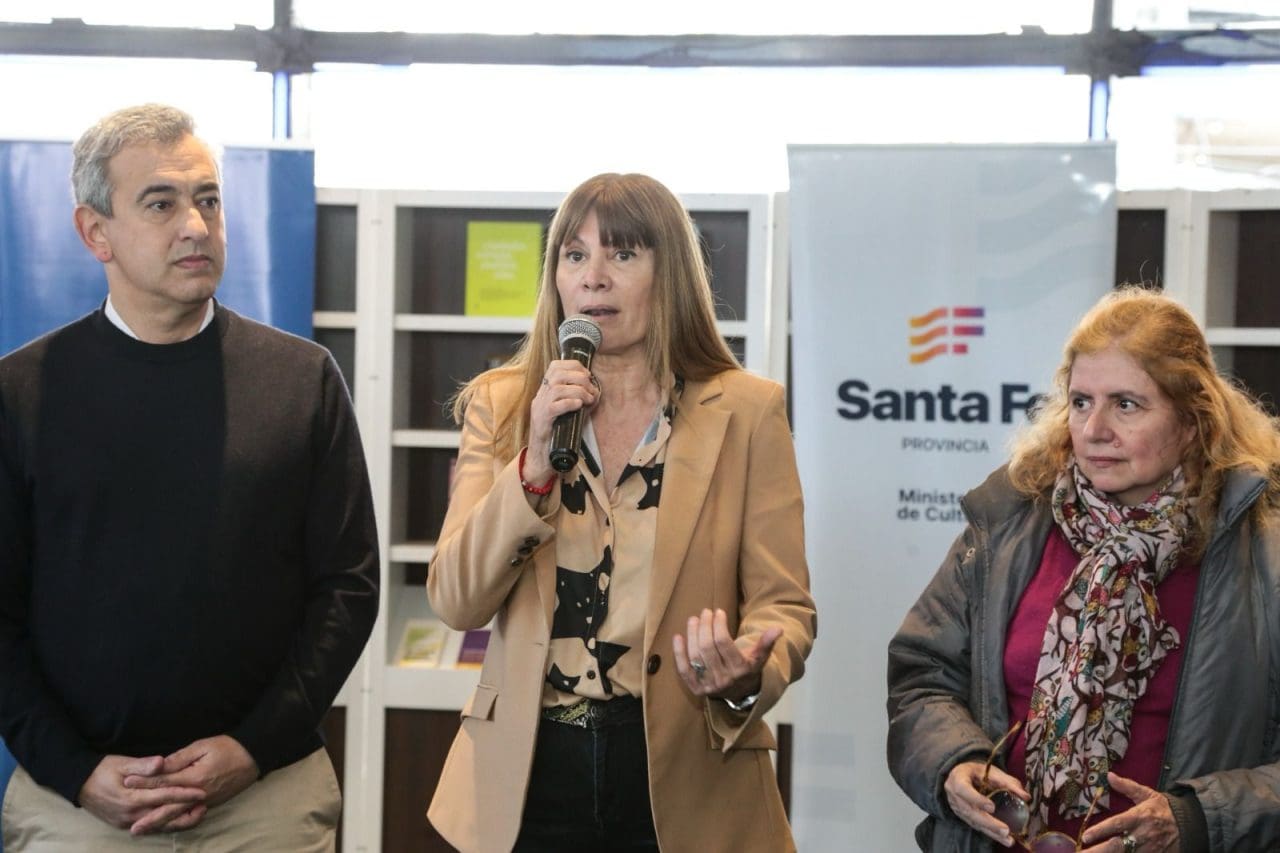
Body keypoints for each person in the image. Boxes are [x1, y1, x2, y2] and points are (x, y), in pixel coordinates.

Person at [0, 103, 379, 851]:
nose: (197, 226)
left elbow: (348, 584)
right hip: (80, 805)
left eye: (208, 199)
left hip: (266, 793)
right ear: (94, 231)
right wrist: (75, 769)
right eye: (162, 203)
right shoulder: (21, 394)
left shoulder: (302, 381)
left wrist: (254, 747)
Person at [426, 172, 816, 852]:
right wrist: (534, 466)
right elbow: (457, 598)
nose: (594, 277)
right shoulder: (505, 405)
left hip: (687, 772)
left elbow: (785, 607)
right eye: (574, 255)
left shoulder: (748, 412)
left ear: (670, 273)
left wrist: (747, 671)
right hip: (528, 776)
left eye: (623, 254)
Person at [887, 286, 1280, 852]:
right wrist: (953, 763)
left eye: (1126, 404)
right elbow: (923, 675)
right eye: (1080, 402)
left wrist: (1194, 822)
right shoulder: (1008, 523)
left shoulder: (1260, 551)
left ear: (1192, 422)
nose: (1095, 429)